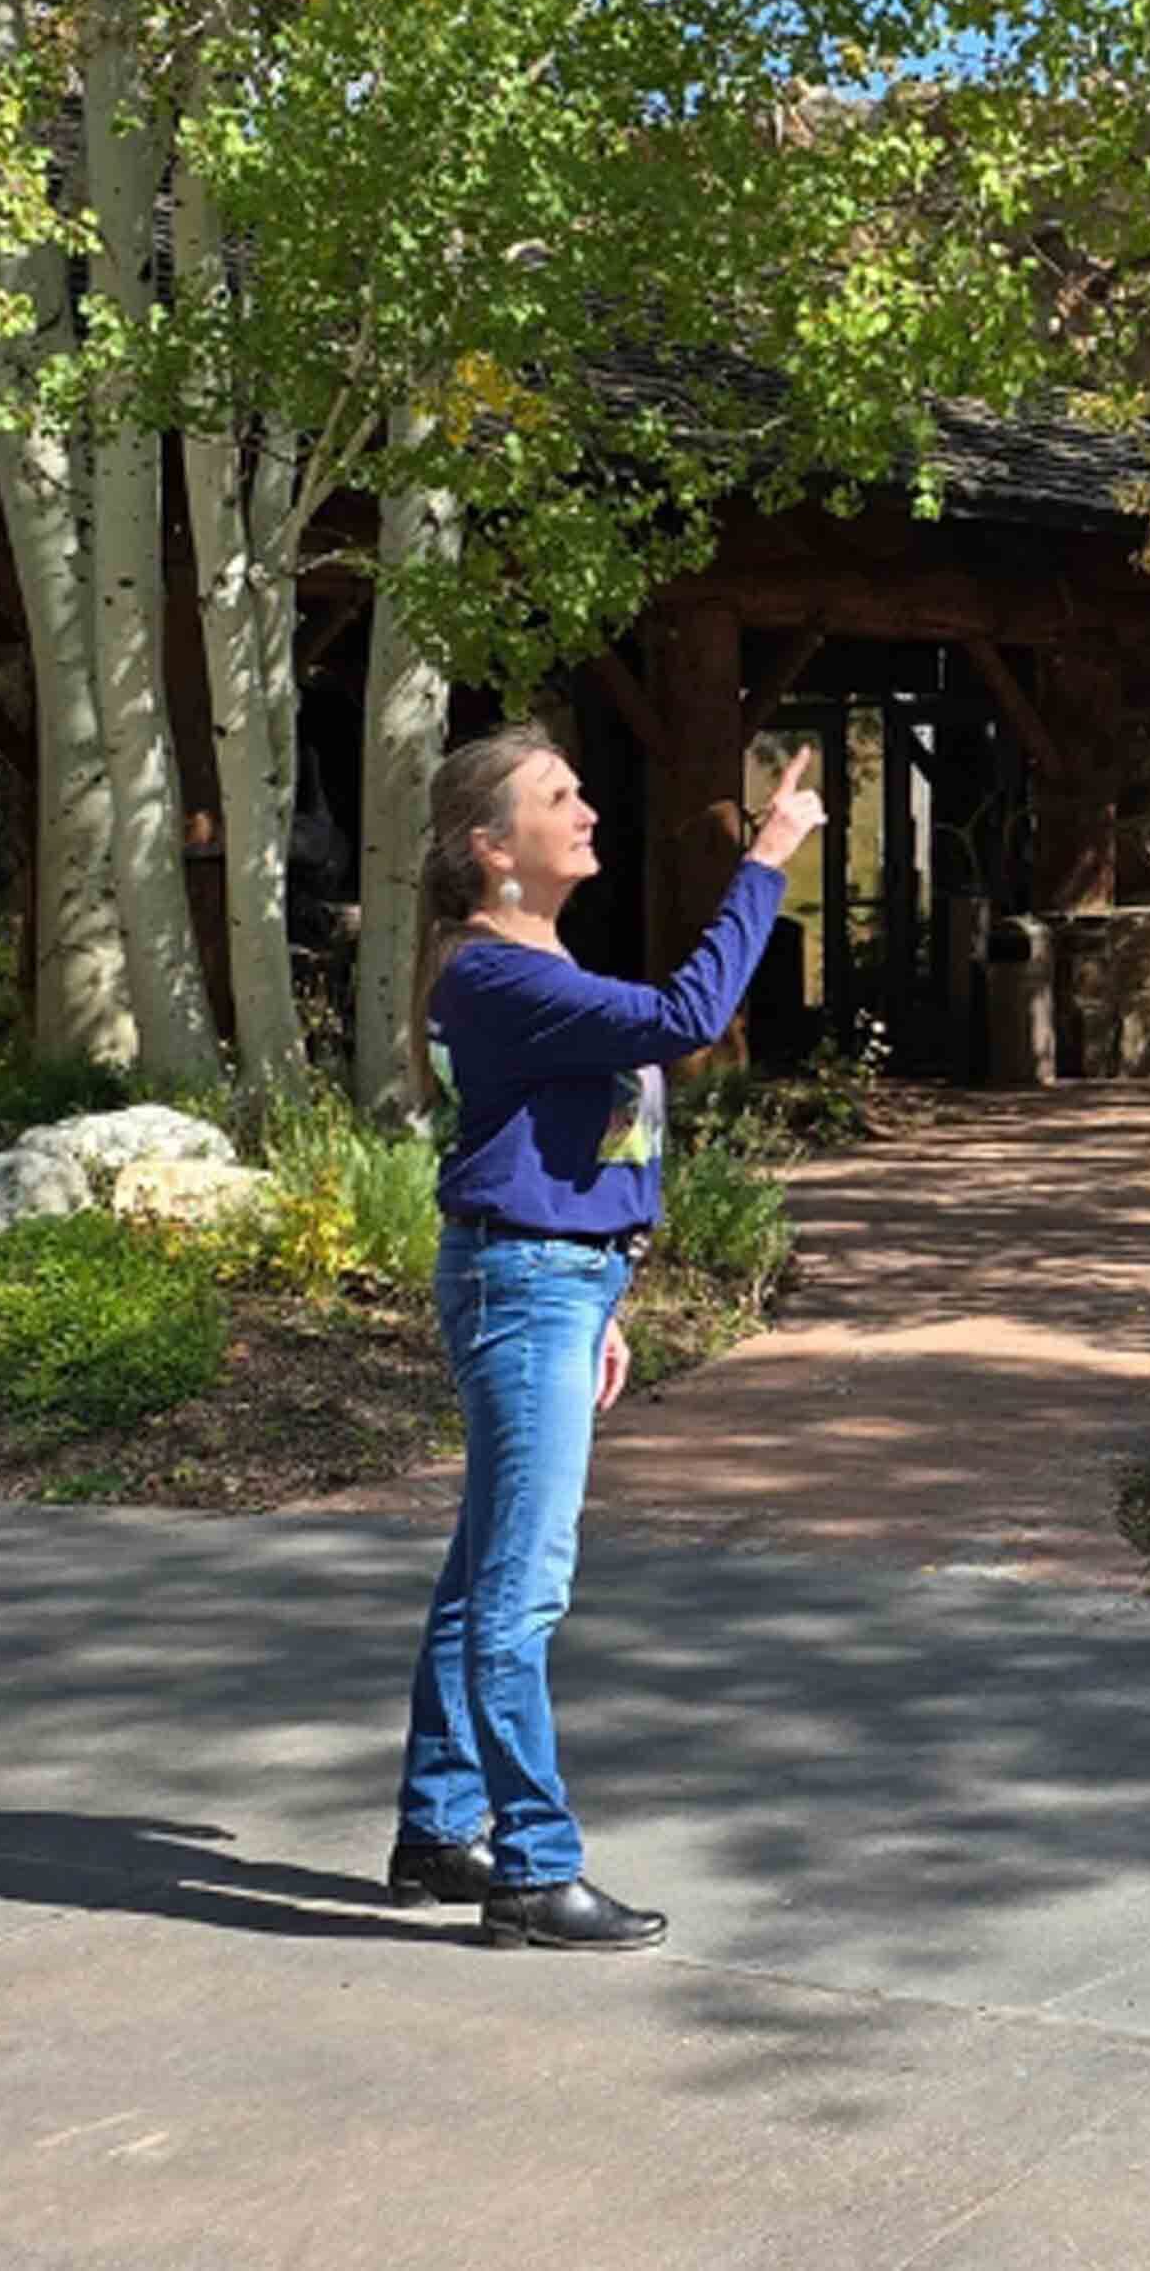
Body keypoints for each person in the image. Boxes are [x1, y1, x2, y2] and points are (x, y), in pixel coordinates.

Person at [386, 725, 822, 1950]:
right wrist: (766, 864)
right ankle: (532, 1871)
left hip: (554, 1284)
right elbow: (690, 1015)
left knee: (484, 1574)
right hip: (526, 1284)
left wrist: (608, 1296)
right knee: (521, 1592)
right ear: (493, 847)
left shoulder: (530, 961)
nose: (586, 810)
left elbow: (584, 1140)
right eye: (559, 796)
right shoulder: (496, 974)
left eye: (582, 789)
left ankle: (438, 1829)